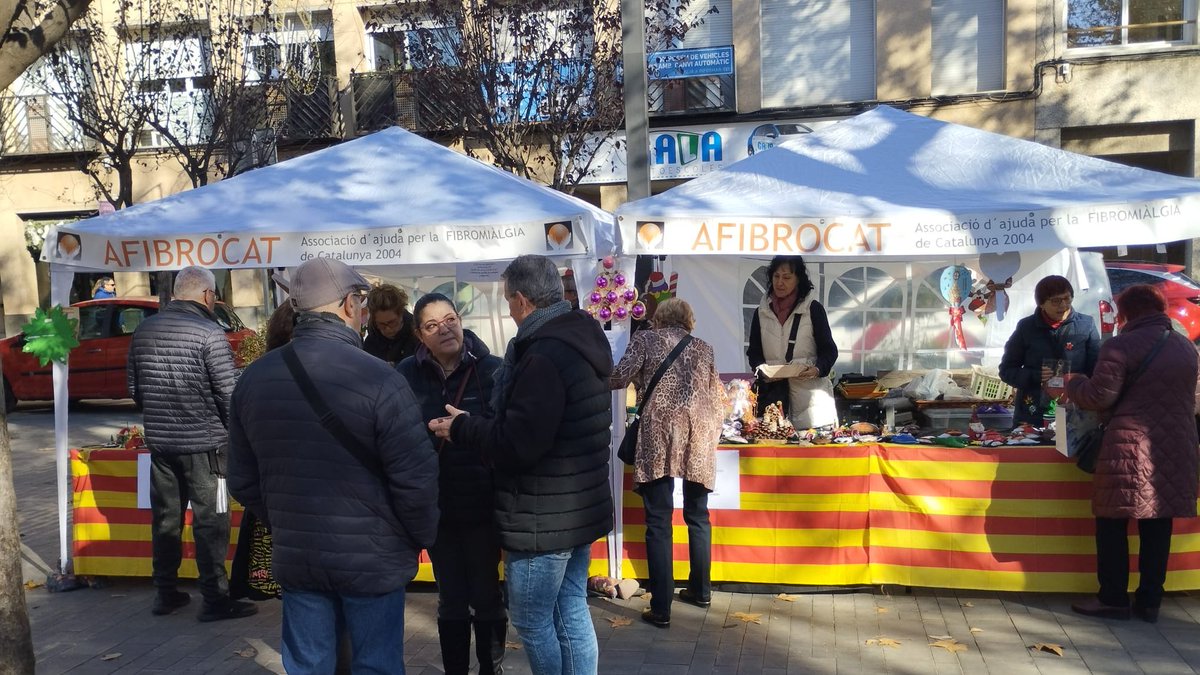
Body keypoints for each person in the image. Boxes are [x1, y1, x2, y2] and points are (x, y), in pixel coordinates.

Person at [227, 257, 439, 672]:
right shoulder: (381, 378)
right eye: (360, 302)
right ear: (347, 305)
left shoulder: (254, 378)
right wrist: (417, 536)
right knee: (376, 666)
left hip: (301, 556)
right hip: (372, 555)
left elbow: (242, 479)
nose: (363, 312)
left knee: (309, 666)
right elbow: (416, 478)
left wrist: (286, 520)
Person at [430, 254, 613, 675]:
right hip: (574, 507)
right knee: (570, 608)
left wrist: (463, 427)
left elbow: (518, 444)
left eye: (508, 300)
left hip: (542, 516)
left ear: (522, 301)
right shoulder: (577, 336)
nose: (508, 309)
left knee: (532, 620)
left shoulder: (544, 354)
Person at [126, 265, 256, 622]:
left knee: (165, 519)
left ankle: (165, 593)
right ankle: (215, 599)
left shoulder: (143, 330)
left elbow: (134, 389)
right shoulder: (210, 333)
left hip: (162, 447)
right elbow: (229, 396)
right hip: (207, 449)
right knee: (212, 521)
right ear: (207, 295)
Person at [1065, 283, 1200, 623]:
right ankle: (1150, 602)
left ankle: (1113, 598)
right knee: (1159, 523)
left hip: (1129, 446)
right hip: (1177, 445)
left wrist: (1074, 383)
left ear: (1126, 312)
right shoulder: (1185, 346)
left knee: (1112, 522)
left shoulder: (1120, 346)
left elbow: (1099, 396)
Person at [396, 293, 506, 675]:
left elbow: (506, 435)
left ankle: (491, 668)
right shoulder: (406, 375)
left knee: (487, 596)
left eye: (450, 319)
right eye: (432, 325)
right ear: (419, 335)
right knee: (451, 599)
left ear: (460, 320)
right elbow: (397, 437)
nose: (445, 329)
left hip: (482, 503)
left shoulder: (492, 370)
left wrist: (469, 430)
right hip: (437, 506)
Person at [609, 298, 724, 629]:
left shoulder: (645, 339)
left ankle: (661, 607)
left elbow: (617, 378)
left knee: (659, 520)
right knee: (698, 516)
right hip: (699, 434)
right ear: (689, 320)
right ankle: (700, 590)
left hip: (658, 433)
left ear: (657, 319)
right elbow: (718, 397)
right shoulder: (704, 347)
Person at [229, 302, 296, 604]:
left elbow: (241, 472)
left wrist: (267, 512)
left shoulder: (254, 378)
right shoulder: (335, 374)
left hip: (273, 501)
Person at [747, 255, 838, 428]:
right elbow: (754, 352)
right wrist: (761, 370)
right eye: (776, 276)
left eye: (787, 277)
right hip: (773, 401)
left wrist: (817, 369)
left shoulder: (813, 309)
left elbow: (829, 350)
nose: (780, 282)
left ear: (798, 279)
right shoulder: (761, 313)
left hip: (811, 402)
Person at [999, 275, 1100, 427]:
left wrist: (1080, 380)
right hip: (1033, 412)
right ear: (1041, 304)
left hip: (1075, 411)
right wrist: (1034, 376)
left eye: (1067, 299)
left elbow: (1097, 370)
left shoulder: (1086, 325)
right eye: (1056, 301)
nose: (1063, 305)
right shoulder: (1026, 328)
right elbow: (1006, 370)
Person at [364, 283, 419, 365]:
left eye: (392, 322)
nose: (388, 329)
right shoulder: (371, 341)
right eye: (381, 324)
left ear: (401, 314)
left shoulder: (418, 336)